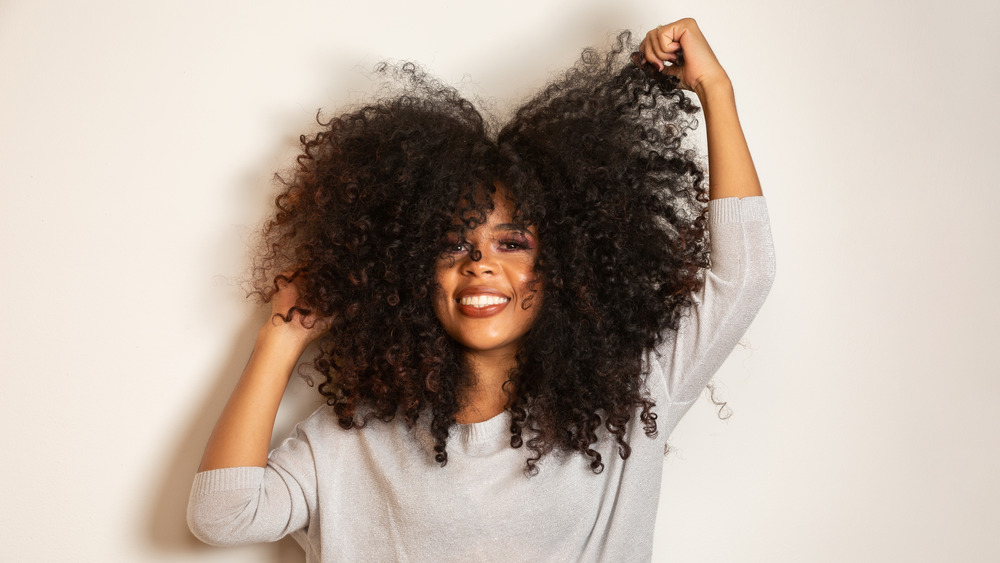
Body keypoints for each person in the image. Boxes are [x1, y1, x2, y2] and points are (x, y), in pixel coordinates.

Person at [187, 18, 775, 561]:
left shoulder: (631, 400)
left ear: (565, 264)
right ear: (411, 269)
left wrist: (715, 92)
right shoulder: (355, 434)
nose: (479, 264)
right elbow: (223, 516)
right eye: (452, 244)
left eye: (512, 243)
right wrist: (281, 339)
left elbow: (745, 276)